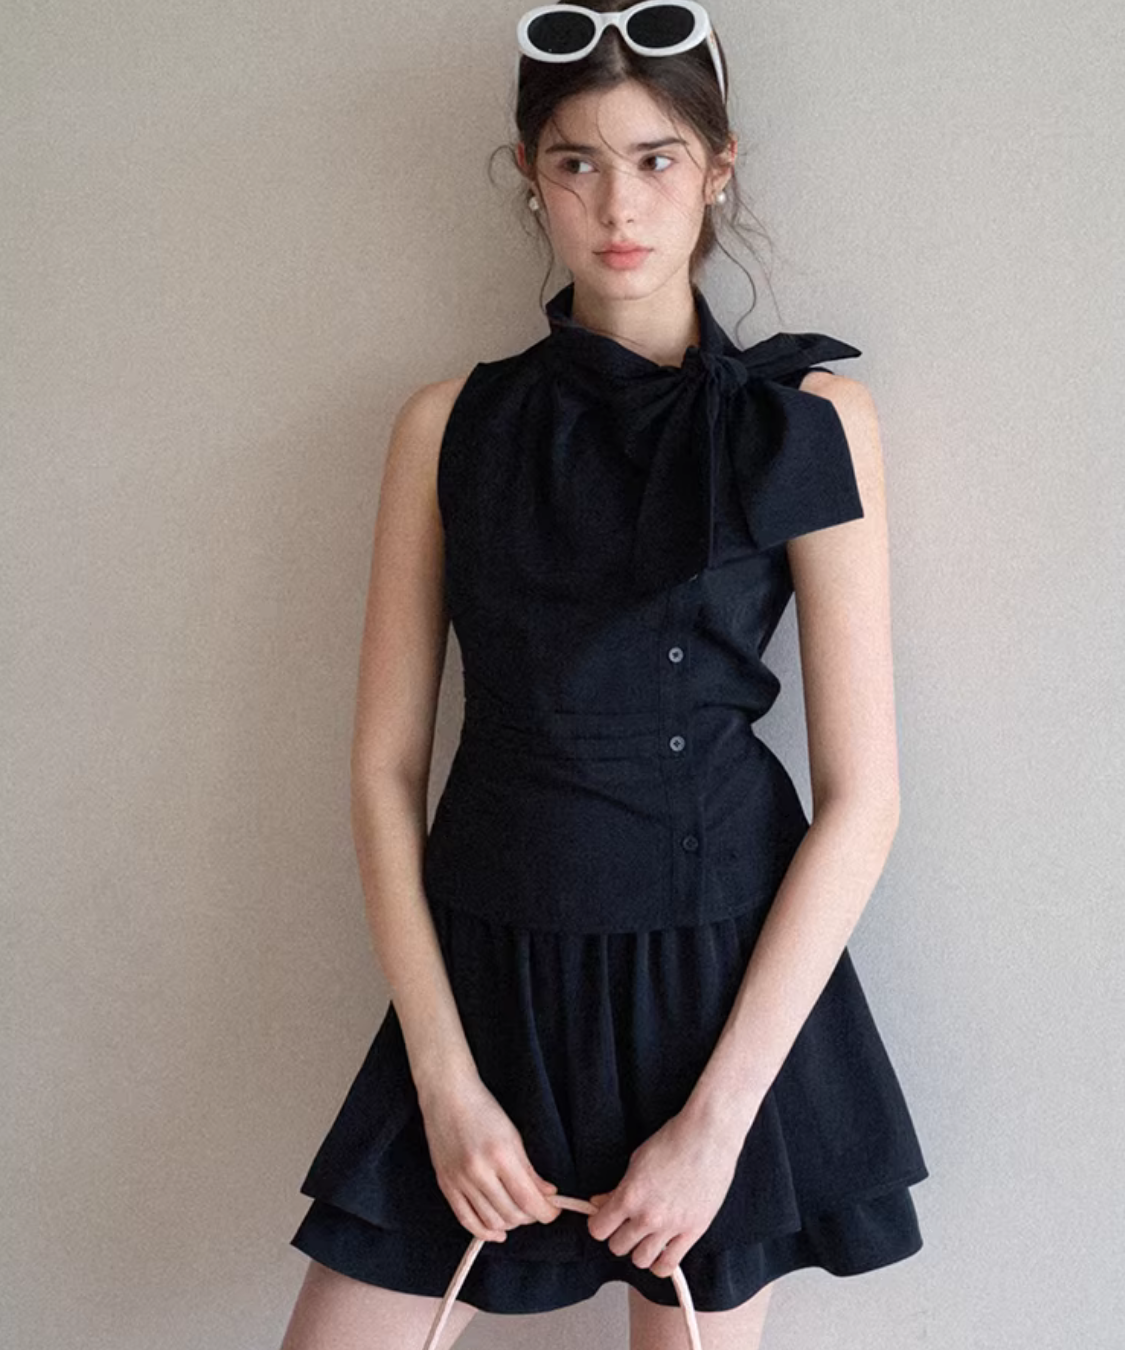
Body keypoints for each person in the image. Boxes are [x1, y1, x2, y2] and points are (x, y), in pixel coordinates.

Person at [279, 3, 929, 1347]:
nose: (619, 205)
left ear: (718, 167)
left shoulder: (808, 424)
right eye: (577, 161)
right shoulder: (448, 427)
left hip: (723, 991)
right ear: (531, 173)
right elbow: (385, 771)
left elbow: (864, 796)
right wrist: (445, 1084)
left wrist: (720, 1121)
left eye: (656, 158)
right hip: (485, 984)